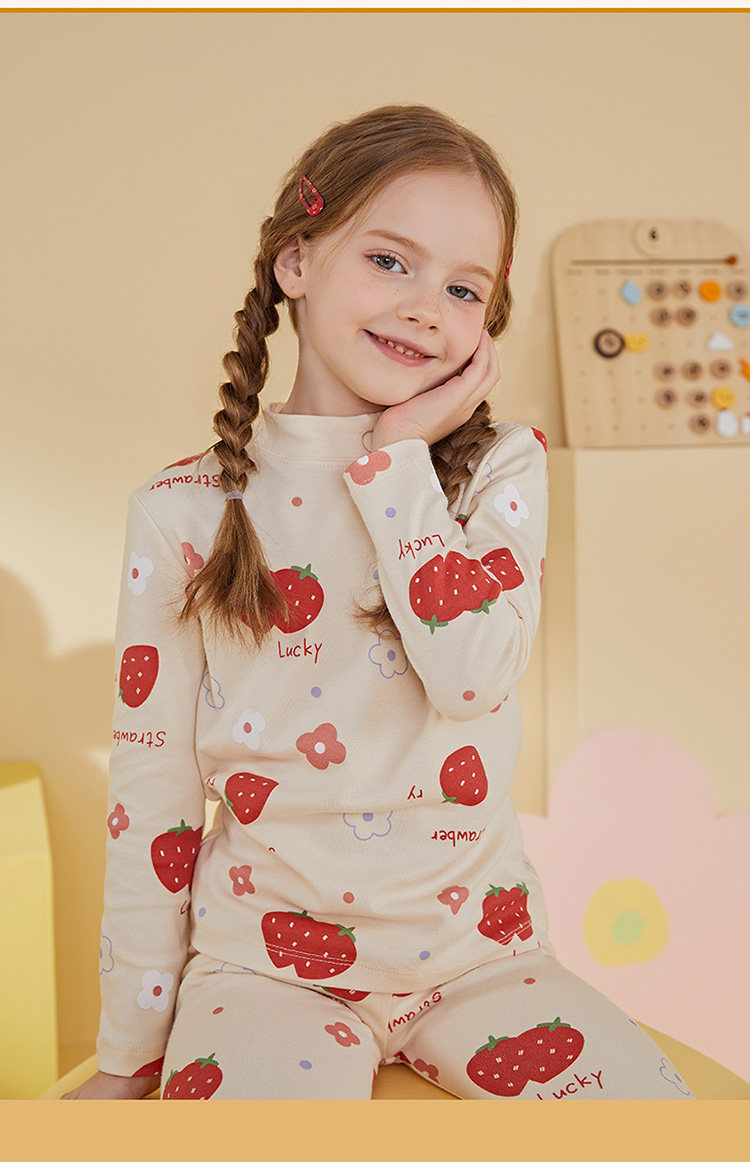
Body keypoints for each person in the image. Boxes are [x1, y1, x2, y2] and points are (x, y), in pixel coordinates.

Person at [62, 104, 695, 1100]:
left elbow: (471, 675)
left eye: (462, 288)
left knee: (661, 1128)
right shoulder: (182, 508)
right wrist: (128, 1055)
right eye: (390, 261)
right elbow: (154, 800)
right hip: (264, 971)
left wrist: (396, 459)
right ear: (296, 260)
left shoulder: (499, 471)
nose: (424, 307)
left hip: (481, 960)